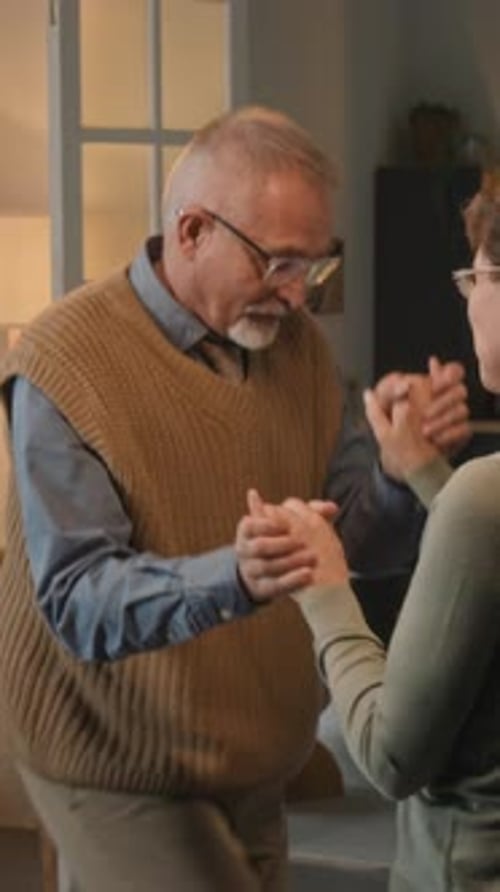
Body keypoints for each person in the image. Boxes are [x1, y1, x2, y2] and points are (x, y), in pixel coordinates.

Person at [0, 105, 469, 892]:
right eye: (277, 263)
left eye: (314, 266)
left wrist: (399, 475)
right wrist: (236, 576)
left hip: (254, 759)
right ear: (191, 232)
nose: (297, 295)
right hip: (115, 763)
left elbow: (353, 549)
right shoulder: (64, 360)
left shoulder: (298, 351)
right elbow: (78, 599)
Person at [240, 171, 500, 890]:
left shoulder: (482, 497)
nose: (469, 300)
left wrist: (325, 585)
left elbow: (390, 757)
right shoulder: (478, 499)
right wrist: (420, 471)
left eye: (475, 279)